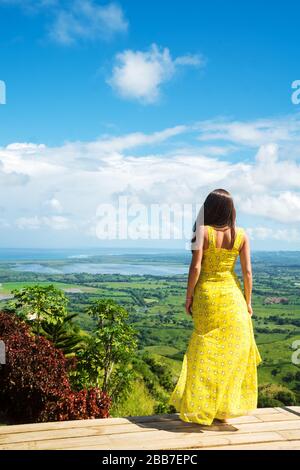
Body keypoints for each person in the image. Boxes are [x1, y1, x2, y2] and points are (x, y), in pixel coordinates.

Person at [168, 188, 262, 425]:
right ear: (231, 210)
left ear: (209, 208)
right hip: (233, 296)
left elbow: (196, 268)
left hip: (207, 295)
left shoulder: (203, 232)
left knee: (205, 349)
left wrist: (188, 297)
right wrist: (248, 302)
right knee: (231, 352)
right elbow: (248, 273)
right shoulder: (241, 235)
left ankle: (201, 407)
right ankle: (222, 410)